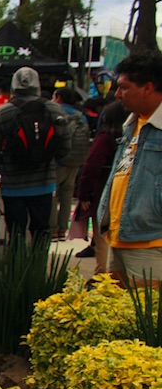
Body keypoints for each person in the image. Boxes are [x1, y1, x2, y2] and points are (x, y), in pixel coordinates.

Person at [96, 52, 162, 286]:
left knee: (145, 318)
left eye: (123, 87)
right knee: (117, 316)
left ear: (147, 88)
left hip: (150, 242)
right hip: (118, 236)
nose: (117, 94)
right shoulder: (132, 123)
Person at [0, 66, 71, 242]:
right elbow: (65, 147)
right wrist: (47, 160)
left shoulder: (4, 112)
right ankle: (37, 267)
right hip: (44, 183)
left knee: (16, 233)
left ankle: (17, 267)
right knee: (41, 231)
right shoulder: (54, 110)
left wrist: (8, 163)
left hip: (12, 185)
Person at [74, 100, 126, 273]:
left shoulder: (106, 137)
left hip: (103, 191)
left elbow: (91, 166)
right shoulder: (134, 136)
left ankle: (102, 275)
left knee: (102, 236)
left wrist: (84, 195)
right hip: (126, 191)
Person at [50, 87, 90, 240]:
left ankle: (52, 229)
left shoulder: (56, 113)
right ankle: (62, 230)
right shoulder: (81, 116)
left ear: (58, 97)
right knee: (67, 196)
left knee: (53, 195)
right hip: (75, 161)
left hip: (58, 162)